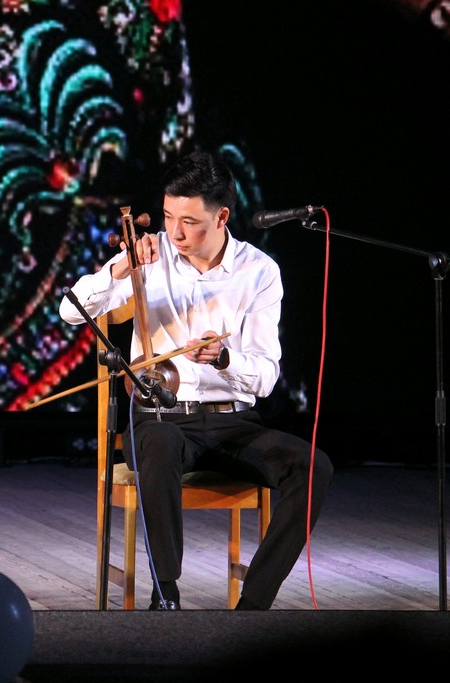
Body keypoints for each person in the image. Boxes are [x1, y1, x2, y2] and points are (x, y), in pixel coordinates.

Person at [59, 150, 333, 610]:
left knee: (313, 466)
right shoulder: (150, 257)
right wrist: (121, 267)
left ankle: (253, 605)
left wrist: (225, 359)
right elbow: (70, 311)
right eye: (168, 217)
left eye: (190, 222)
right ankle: (166, 594)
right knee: (161, 442)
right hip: (161, 419)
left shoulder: (259, 272)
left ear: (222, 216)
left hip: (233, 423)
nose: (176, 233)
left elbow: (266, 376)